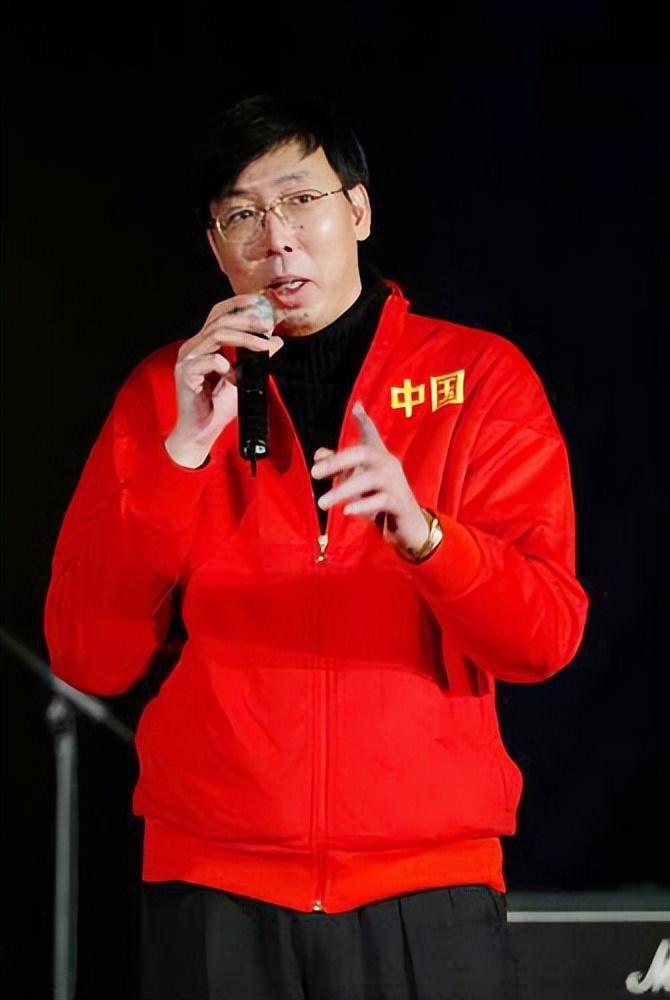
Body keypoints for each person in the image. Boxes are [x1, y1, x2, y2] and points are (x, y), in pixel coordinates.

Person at [44, 94, 588, 1000]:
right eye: (243, 216)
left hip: (426, 892)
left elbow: (544, 638)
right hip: (214, 891)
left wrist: (426, 538)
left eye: (301, 200)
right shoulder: (165, 394)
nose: (278, 238)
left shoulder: (480, 378)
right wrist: (182, 455)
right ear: (216, 245)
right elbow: (87, 656)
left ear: (358, 210)